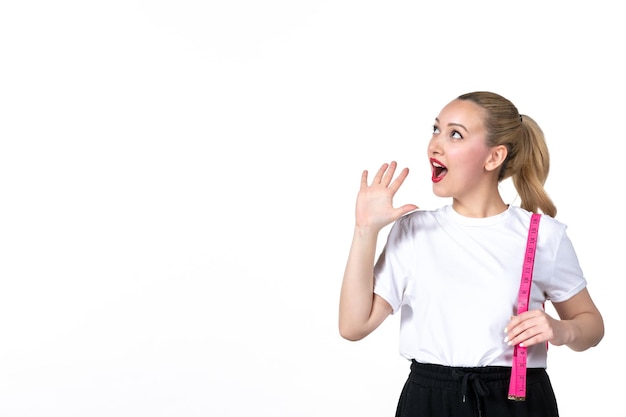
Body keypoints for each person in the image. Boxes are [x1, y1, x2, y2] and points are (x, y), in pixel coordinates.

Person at [338, 91, 604, 417]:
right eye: (435, 129)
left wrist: (562, 330)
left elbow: (592, 325)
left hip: (518, 403)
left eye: (454, 134)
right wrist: (365, 231)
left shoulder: (543, 235)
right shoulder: (414, 231)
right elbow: (354, 326)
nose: (435, 144)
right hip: (429, 401)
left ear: (493, 158)